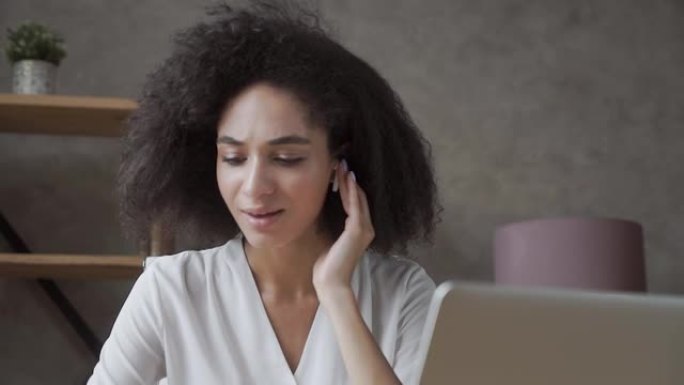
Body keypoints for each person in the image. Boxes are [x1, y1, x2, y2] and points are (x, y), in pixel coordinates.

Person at [88, 1, 439, 384]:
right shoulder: (171, 289)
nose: (255, 187)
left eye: (286, 158)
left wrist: (337, 293)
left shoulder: (403, 293)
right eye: (234, 157)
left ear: (337, 166)